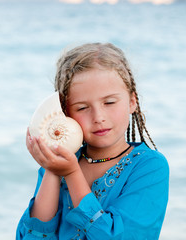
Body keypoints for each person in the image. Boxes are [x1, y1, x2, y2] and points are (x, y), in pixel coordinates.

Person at [16, 43, 169, 240]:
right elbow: (32, 237)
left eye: (109, 102)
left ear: (132, 101)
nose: (98, 117)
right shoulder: (57, 164)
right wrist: (53, 172)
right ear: (65, 113)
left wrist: (71, 173)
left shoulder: (150, 166)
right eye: (82, 108)